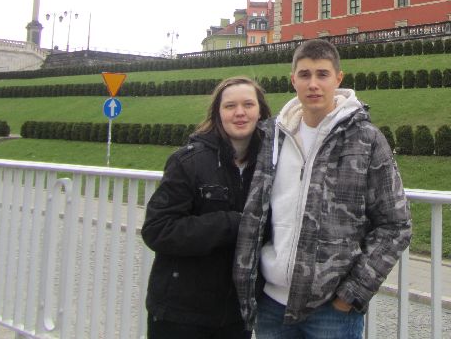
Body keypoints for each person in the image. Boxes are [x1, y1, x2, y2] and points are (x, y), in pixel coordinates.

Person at [233, 39, 412, 338]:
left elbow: (396, 225)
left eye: (322, 74)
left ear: (338, 79)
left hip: (331, 311)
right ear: (293, 80)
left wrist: (350, 296)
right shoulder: (271, 137)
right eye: (304, 75)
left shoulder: (366, 139)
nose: (313, 84)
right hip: (271, 304)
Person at [142, 76, 271, 339]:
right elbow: (157, 229)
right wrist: (230, 223)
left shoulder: (269, 167)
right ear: (218, 113)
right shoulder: (188, 162)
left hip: (235, 315)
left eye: (248, 104)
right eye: (230, 106)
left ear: (260, 112)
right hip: (180, 313)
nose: (240, 112)